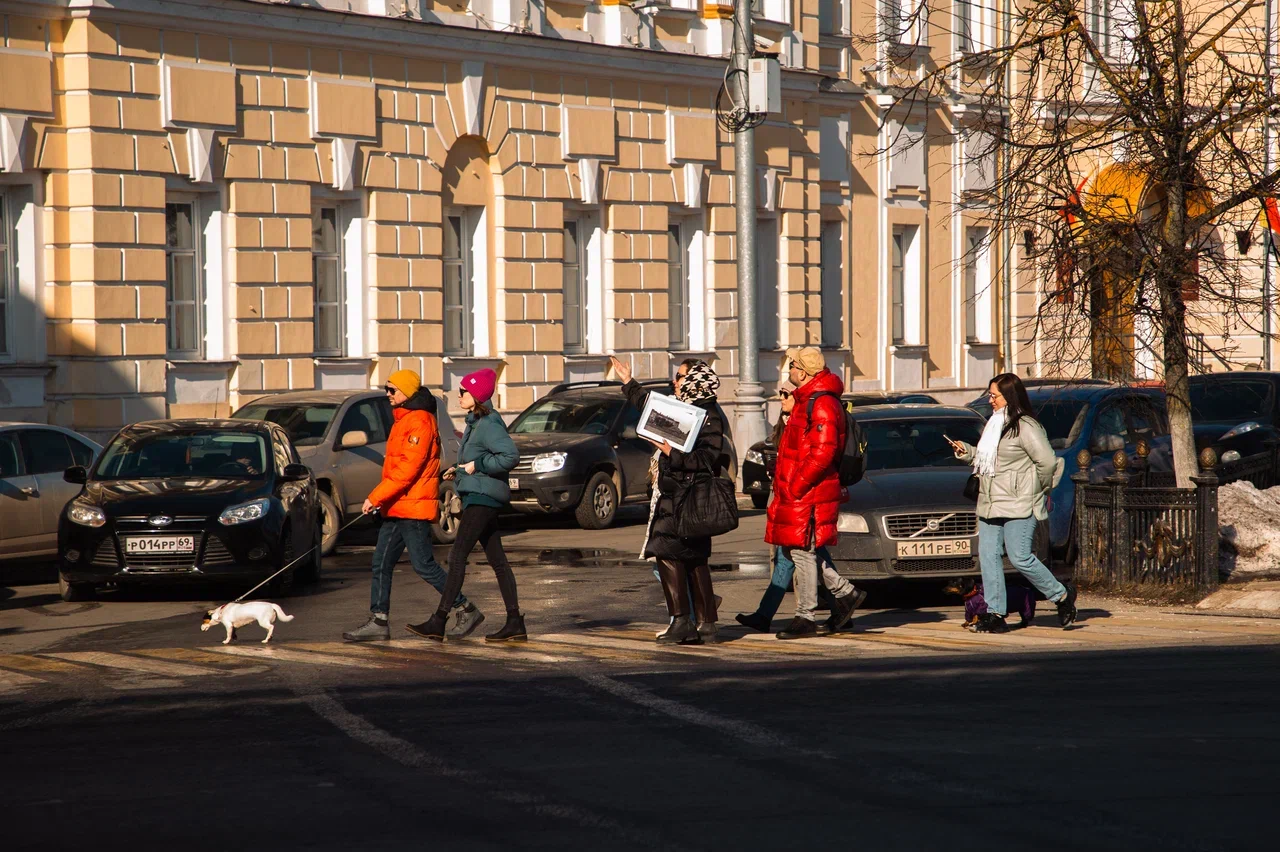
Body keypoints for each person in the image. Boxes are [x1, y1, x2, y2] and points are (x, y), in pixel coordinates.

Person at [344, 370, 482, 642]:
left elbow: (408, 469)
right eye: (386, 389)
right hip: (397, 505)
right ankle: (379, 621)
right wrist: (384, 499)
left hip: (413, 506)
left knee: (424, 565)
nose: (387, 394)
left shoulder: (420, 421)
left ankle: (466, 608)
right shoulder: (403, 418)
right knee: (381, 562)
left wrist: (376, 497)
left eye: (392, 390)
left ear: (407, 392)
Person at [947, 372, 1078, 633]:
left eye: (994, 395)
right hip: (990, 501)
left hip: (1019, 503)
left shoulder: (1026, 426)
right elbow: (989, 459)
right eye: (990, 395)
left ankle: (1061, 595)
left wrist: (1039, 489)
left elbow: (1048, 462)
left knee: (1020, 558)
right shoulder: (994, 423)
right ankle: (995, 613)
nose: (990, 400)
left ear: (1010, 396)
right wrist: (967, 452)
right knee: (988, 556)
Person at [611, 355, 728, 645]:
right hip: (677, 494)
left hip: (687, 497)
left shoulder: (708, 414)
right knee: (694, 559)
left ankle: (682, 622)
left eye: (679, 376)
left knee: (666, 553)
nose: (674, 382)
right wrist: (627, 381)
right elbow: (650, 406)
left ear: (694, 380)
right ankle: (707, 624)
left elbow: (708, 458)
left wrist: (671, 454)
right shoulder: (684, 405)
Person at [407, 368, 526, 642]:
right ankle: (515, 622)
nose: (458, 395)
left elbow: (510, 456)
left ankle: (439, 620)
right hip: (479, 495)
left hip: (483, 499)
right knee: (498, 561)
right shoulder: (476, 422)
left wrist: (478, 465)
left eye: (463, 391)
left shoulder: (489, 423)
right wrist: (460, 470)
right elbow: (476, 460)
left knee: (457, 556)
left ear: (477, 396)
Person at [737, 390, 864, 633]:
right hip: (788, 494)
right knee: (800, 553)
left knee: (799, 553)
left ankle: (824, 606)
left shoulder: (809, 418)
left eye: (786, 393)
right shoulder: (787, 421)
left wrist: (794, 488)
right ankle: (841, 604)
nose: (781, 398)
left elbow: (817, 457)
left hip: (800, 498)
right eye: (781, 393)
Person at [767, 347, 867, 640]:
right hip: (800, 490)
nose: (789, 370)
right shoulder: (807, 399)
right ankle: (845, 593)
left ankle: (806, 616)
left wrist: (796, 485)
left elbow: (823, 453)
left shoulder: (821, 403)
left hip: (808, 491)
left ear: (803, 371)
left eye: (792, 365)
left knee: (802, 550)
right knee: (798, 548)